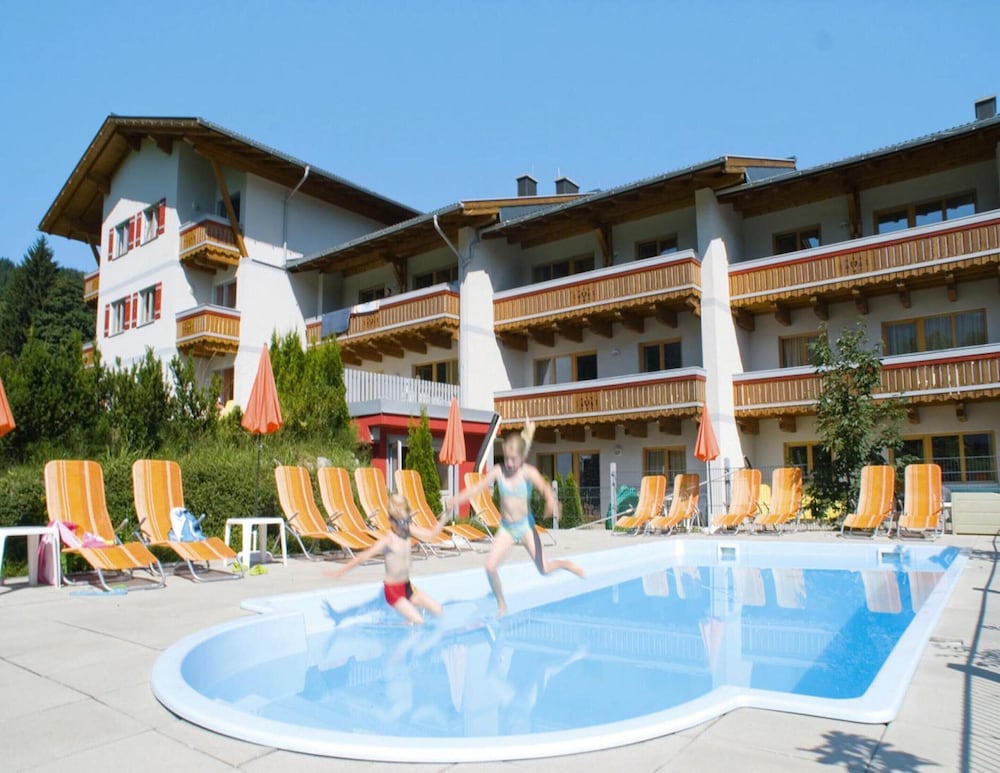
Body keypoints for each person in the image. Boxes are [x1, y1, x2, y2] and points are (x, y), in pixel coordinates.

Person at [446, 421, 584, 617]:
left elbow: (545, 488)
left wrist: (551, 503)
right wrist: (456, 500)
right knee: (490, 566)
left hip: (526, 527)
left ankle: (566, 564)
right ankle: (502, 605)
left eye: (513, 459)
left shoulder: (528, 472)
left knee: (544, 569)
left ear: (522, 457)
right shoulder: (498, 471)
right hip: (507, 529)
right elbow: (475, 489)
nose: (509, 463)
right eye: (506, 458)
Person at [325, 493, 450, 625]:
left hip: (407, 587)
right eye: (401, 522)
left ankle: (406, 621)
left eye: (407, 521)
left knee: (438, 610)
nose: (404, 526)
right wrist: (340, 571)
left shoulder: (408, 530)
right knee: (419, 621)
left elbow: (431, 535)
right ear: (391, 521)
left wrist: (447, 513)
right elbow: (363, 556)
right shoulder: (388, 540)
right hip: (393, 591)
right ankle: (400, 625)